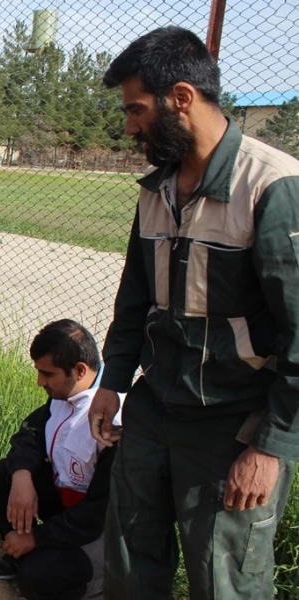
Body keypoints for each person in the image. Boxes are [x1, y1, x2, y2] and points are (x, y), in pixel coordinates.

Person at [87, 27, 299, 599]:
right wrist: (113, 382)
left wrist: (271, 448)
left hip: (235, 423)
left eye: (137, 109)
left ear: (181, 97)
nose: (129, 126)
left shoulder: (271, 186)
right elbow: (135, 298)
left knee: (225, 579)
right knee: (130, 560)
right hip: (156, 409)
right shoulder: (154, 190)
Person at [0, 320, 122, 600]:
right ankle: (20, 556)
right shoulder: (64, 392)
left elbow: (97, 514)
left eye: (47, 374)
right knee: (2, 474)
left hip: (100, 529)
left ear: (80, 369)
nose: (39, 382)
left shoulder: (114, 420)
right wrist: (22, 476)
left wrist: (36, 538)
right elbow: (29, 435)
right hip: (68, 506)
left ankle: (101, 585)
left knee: (37, 578)